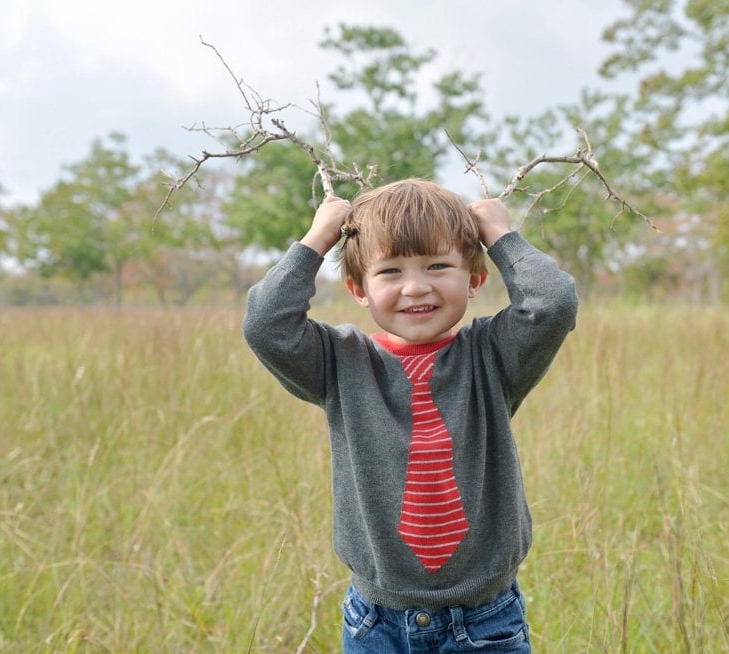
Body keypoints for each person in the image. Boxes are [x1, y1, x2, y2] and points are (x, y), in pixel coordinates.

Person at [243, 178, 578, 652]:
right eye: (390, 272)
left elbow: (553, 303)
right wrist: (316, 240)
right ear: (359, 288)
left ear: (475, 279)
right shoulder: (339, 363)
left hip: (486, 621)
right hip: (375, 622)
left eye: (439, 266)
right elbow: (265, 324)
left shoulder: (493, 356)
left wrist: (500, 235)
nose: (415, 286)